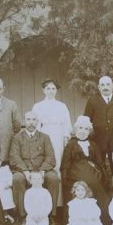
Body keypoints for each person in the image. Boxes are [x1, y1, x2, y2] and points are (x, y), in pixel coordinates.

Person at [9, 111, 59, 225]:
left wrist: (41, 172)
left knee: (54, 179)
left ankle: (51, 216)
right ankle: (22, 216)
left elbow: (51, 157)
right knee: (17, 179)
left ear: (37, 122)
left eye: (33, 120)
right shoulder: (17, 138)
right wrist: (26, 171)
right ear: (24, 121)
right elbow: (14, 157)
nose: (31, 122)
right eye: (28, 119)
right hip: (23, 170)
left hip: (43, 169)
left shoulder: (45, 137)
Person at [60, 116, 111, 225]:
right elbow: (65, 163)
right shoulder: (70, 145)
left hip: (91, 168)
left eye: (86, 129)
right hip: (75, 170)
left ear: (89, 131)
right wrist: (65, 177)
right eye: (80, 128)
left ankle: (101, 217)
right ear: (76, 130)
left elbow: (100, 162)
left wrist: (103, 174)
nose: (82, 131)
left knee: (96, 183)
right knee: (88, 181)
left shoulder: (93, 145)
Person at [32, 79, 72, 207]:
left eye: (53, 89)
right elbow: (35, 124)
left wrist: (65, 136)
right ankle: (42, 203)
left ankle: (58, 204)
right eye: (48, 89)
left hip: (57, 136)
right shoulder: (38, 106)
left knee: (56, 166)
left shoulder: (62, 106)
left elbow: (67, 124)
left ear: (56, 91)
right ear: (43, 90)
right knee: (44, 165)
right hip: (43, 135)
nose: (51, 91)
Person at [84, 75, 113, 173]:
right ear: (99, 87)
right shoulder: (92, 101)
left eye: (108, 84)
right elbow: (86, 121)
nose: (105, 87)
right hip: (98, 140)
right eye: (102, 85)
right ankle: (101, 187)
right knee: (99, 166)